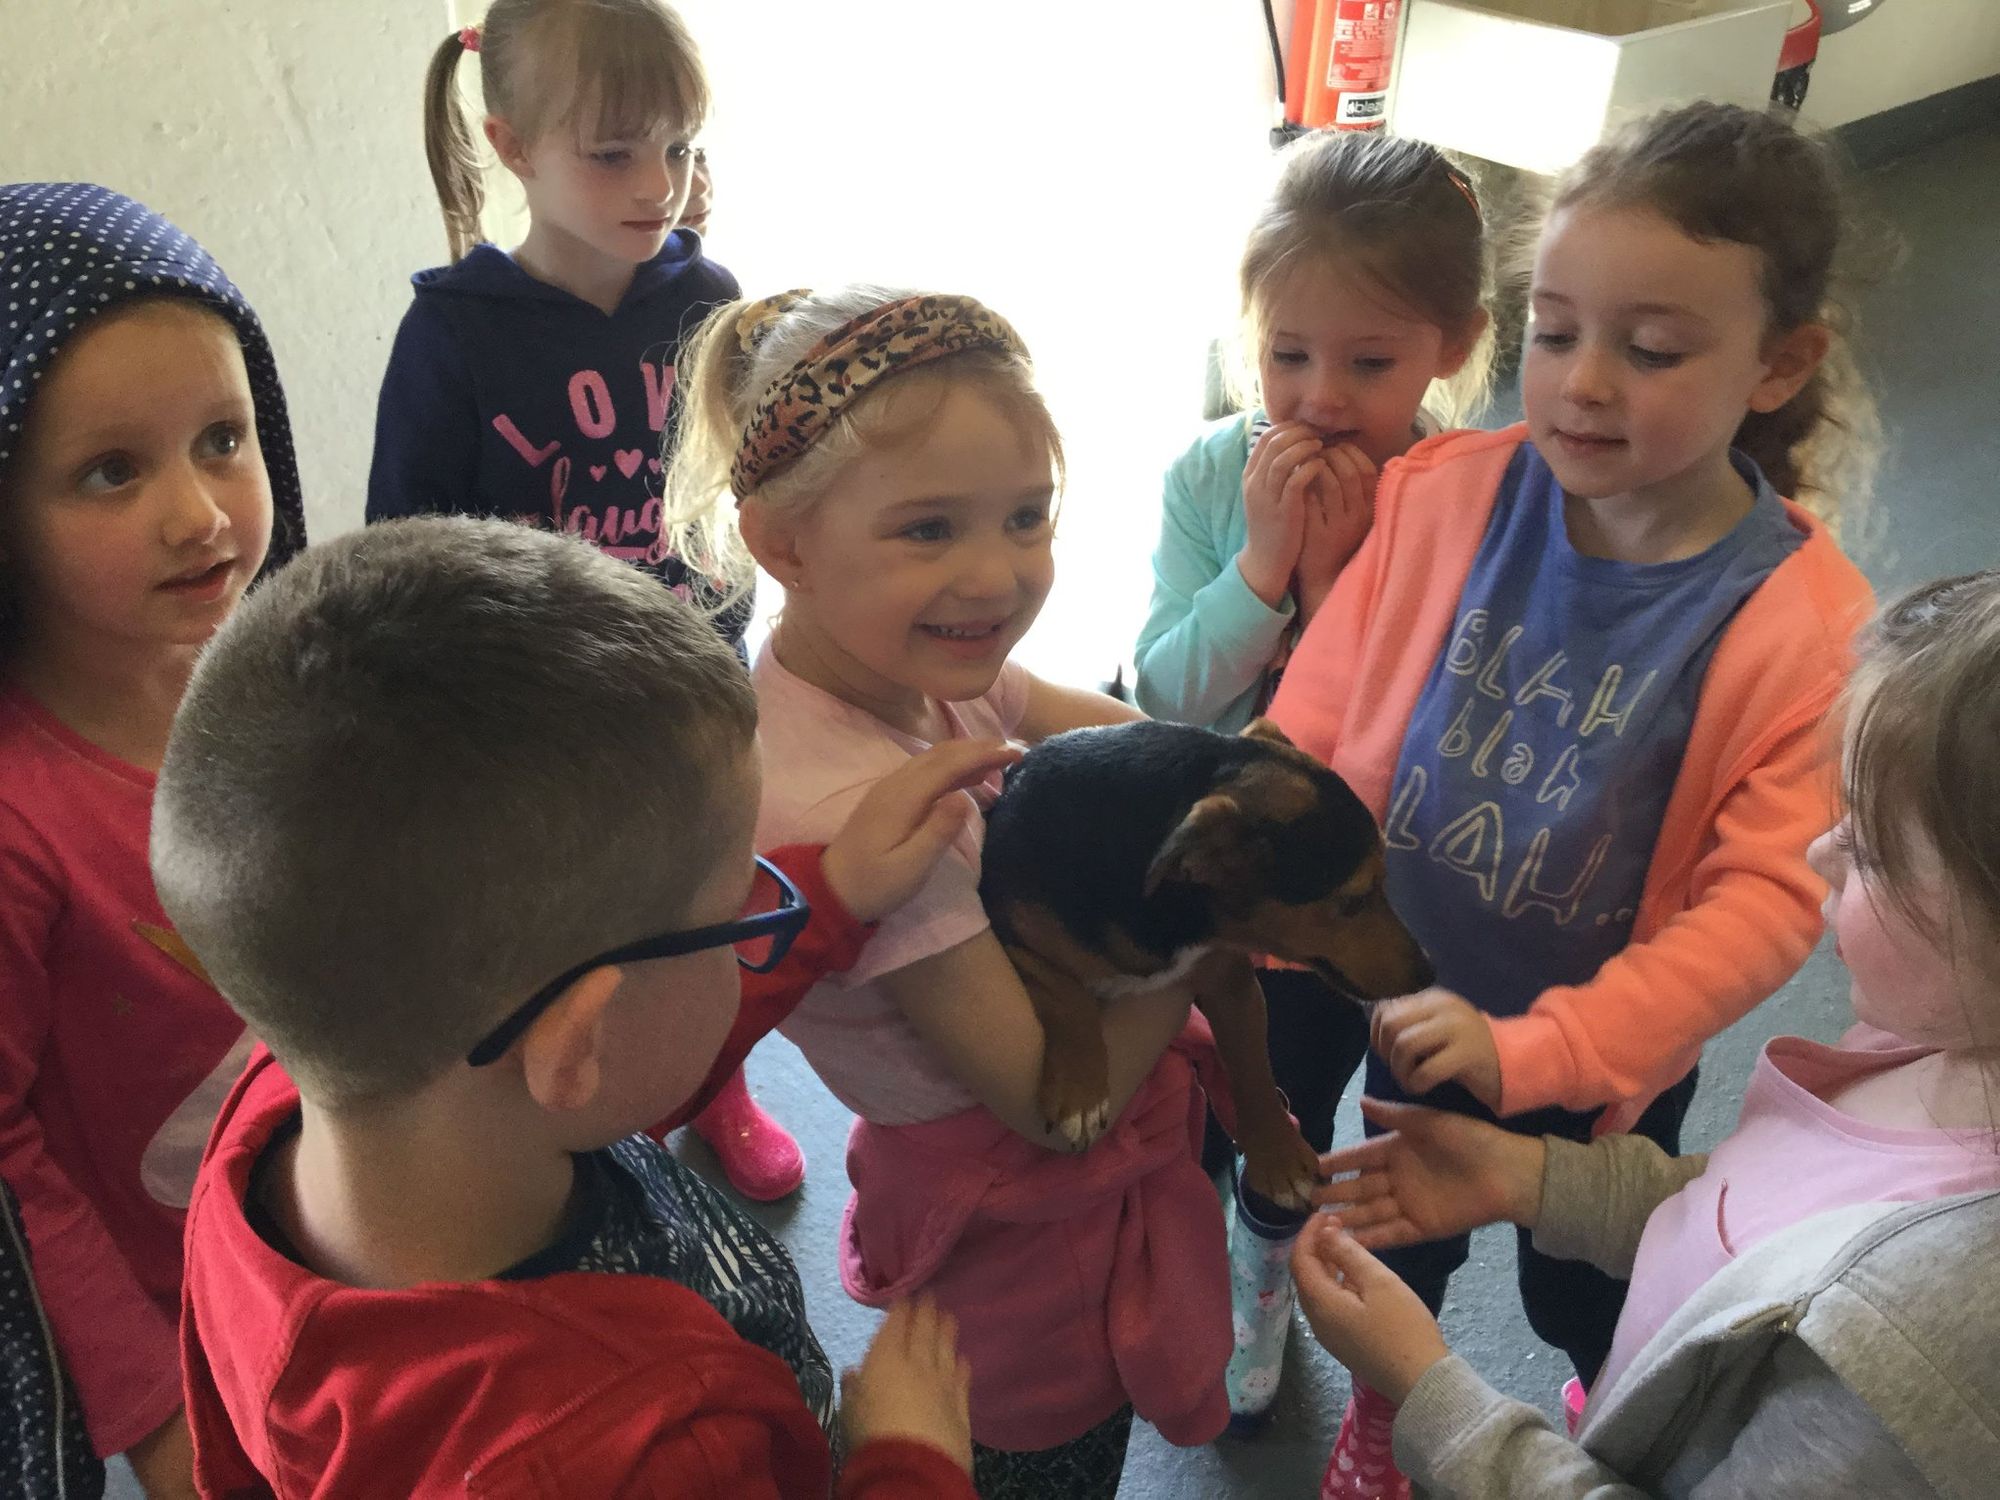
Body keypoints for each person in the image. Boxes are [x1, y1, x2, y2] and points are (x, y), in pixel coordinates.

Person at [1265, 101, 1878, 1497]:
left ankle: (1611, 1400)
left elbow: (1761, 911)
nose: (1582, 383)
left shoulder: (1803, 624)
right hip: (1405, 1001)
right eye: (1553, 331)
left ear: (1778, 365)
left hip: (1594, 1061)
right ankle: (1389, 1418)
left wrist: (1539, 1055)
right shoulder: (1443, 495)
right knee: (1395, 1241)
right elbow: (1322, 722)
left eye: (1650, 350)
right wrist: (1264, 890)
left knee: (1584, 1285)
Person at [161, 516, 1009, 1497]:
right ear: (578, 1045)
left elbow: (617, 1048)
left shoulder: (298, 1108)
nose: (753, 924)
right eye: (736, 907)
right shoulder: (654, 1456)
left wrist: (835, 894)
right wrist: (906, 1465)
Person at [666, 287, 1232, 1498]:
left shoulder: (919, 663)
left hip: (1060, 1154)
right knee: (1048, 1447)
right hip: (1018, 1214)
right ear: (781, 544)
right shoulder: (849, 814)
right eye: (929, 530)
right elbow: (1048, 1102)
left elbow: (1126, 740)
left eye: (1027, 517)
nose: (997, 574)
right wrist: (1208, 916)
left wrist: (1232, 781)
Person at [1299, 568, 2000, 1498]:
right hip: (1666, 1395)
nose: (1819, 850)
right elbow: (1746, 1220)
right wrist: (1534, 1179)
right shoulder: (1939, 1039)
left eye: (1869, 844)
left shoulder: (1909, 1356)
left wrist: (1433, 1394)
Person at [370, 0, 807, 1201]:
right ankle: (589, 1107)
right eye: (613, 152)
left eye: (678, 147)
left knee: (703, 897)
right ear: (511, 146)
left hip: (696, 677)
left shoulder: (703, 291)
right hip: (538, 707)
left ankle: (712, 1083)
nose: (657, 184)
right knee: (573, 919)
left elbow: (744, 471)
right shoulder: (452, 337)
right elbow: (402, 547)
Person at [1130, 127, 1494, 1428]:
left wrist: (1348, 593)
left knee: (1394, 1121)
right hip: (1244, 911)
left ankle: (1382, 1347)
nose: (1321, 395)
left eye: (1370, 361)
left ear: (1453, 346)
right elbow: (1163, 696)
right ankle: (1260, 1283)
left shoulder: (1467, 501)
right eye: (1288, 354)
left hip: (1387, 902)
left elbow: (1448, 740)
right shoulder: (1210, 475)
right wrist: (1262, 571)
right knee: (1257, 1118)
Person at [0, 181, 307, 1497]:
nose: (199, 516)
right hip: (175, 1303)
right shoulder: (19, 825)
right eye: (111, 472)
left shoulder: (287, 675)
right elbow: (6, 1154)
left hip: (331, 1217)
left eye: (224, 440)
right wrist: (146, 1408)